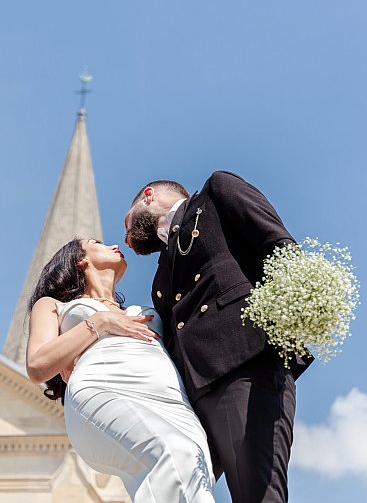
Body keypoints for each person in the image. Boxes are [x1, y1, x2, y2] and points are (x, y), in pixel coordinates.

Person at [125, 170, 314, 503]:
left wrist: (302, 302)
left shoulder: (214, 193)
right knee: (170, 493)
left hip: (242, 364)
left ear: (149, 195)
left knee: (257, 493)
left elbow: (279, 244)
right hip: (195, 395)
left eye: (127, 226)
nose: (127, 240)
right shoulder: (161, 273)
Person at [26, 238, 215, 503]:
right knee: (173, 452)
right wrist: (100, 321)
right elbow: (38, 365)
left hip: (173, 401)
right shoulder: (53, 305)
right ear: (80, 260)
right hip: (105, 389)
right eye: (97, 243)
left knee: (196, 475)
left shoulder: (143, 309)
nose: (115, 246)